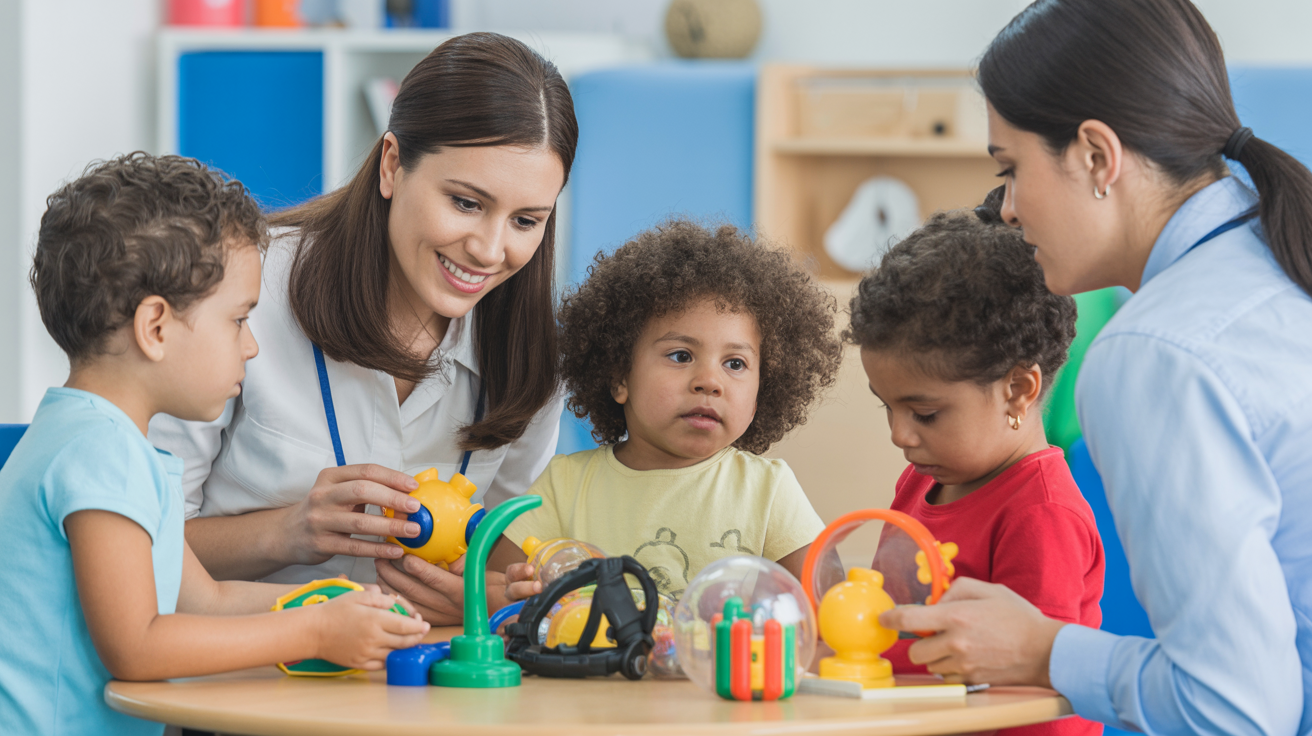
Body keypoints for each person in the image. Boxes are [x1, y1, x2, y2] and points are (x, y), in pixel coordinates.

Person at [878, 1, 1312, 734]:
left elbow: (1235, 710)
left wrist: (1046, 650)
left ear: (1097, 157)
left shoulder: (1156, 352)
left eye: (1011, 169)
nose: (1007, 210)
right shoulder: (1274, 263)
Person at [148, 32, 579, 625]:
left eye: (526, 220)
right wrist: (286, 532)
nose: (488, 249)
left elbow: (500, 549)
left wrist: (479, 597)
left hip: (416, 692)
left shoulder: (531, 355)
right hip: (238, 689)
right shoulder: (243, 295)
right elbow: (134, 549)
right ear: (392, 164)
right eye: (465, 203)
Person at [0, 154, 428, 736]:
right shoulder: (102, 456)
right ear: (155, 328)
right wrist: (313, 633)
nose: (251, 347)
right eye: (238, 320)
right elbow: (138, 645)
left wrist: (341, 605)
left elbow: (205, 600)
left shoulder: (98, 440)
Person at [487, 219, 843, 602]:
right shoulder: (564, 485)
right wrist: (522, 592)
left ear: (763, 389)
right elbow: (489, 584)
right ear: (619, 375)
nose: (709, 381)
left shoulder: (768, 491)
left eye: (735, 364)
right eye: (681, 355)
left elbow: (829, 602)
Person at [850, 205, 1103, 736]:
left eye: (924, 414)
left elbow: (1032, 700)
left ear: (1018, 389)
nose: (900, 434)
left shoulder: (1041, 515)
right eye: (886, 407)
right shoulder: (925, 477)